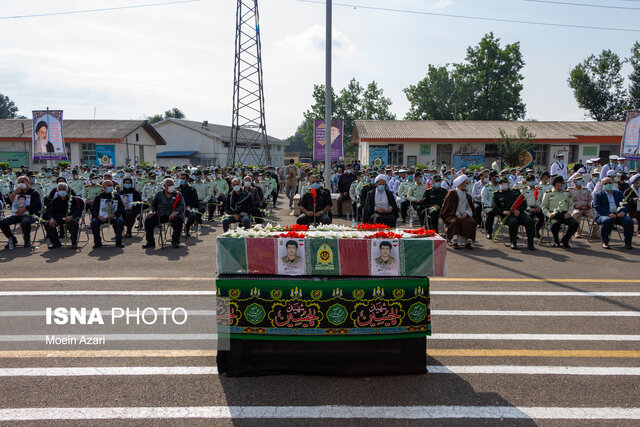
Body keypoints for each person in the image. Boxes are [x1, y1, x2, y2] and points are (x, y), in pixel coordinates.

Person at [491, 178, 535, 250]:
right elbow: (494, 208)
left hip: (519, 213)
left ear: (508, 184)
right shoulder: (497, 195)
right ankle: (513, 242)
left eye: (504, 183)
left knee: (529, 221)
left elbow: (524, 203)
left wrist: (519, 210)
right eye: (501, 183)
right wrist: (503, 212)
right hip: (507, 216)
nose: (502, 185)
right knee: (514, 222)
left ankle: (530, 243)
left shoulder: (515, 192)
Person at [0, 175, 42, 248]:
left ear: (28, 182)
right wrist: (15, 192)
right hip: (16, 215)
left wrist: (25, 209)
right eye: (19, 182)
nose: (20, 183)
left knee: (25, 222)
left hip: (30, 215)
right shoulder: (16, 192)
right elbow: (8, 201)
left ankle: (27, 240)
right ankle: (12, 239)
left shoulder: (34, 192)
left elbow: (37, 204)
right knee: (2, 222)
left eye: (23, 181)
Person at [142, 178, 185, 249]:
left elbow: (181, 206)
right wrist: (151, 211)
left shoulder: (178, 194)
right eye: (169, 185)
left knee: (179, 219)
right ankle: (150, 242)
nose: (172, 186)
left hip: (173, 215)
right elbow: (153, 204)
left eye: (172, 184)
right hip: (161, 214)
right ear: (165, 186)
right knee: (148, 220)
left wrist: (174, 213)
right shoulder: (159, 194)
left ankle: (175, 241)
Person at [593, 177, 634, 249]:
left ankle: (628, 243)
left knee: (629, 221)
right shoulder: (598, 194)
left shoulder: (618, 193)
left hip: (617, 214)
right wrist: (608, 214)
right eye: (605, 183)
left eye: (609, 183)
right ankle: (605, 241)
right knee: (607, 221)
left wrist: (623, 212)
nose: (608, 185)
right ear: (602, 185)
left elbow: (624, 204)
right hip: (603, 215)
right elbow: (597, 207)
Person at [540, 176, 578, 248]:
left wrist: (569, 213)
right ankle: (556, 240)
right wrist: (548, 214)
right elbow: (544, 207)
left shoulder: (566, 193)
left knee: (575, 224)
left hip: (564, 214)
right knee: (555, 224)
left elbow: (571, 205)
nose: (563, 185)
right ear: (557, 184)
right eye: (562, 184)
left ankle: (565, 239)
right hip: (553, 214)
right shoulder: (548, 193)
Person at [440, 175, 477, 249]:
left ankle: (468, 242)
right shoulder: (452, 193)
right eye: (465, 183)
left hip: (464, 215)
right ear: (460, 184)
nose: (467, 185)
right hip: (452, 215)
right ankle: (454, 242)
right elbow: (449, 207)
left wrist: (466, 214)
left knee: (471, 221)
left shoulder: (467, 196)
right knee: (455, 222)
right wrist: (457, 214)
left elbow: (469, 208)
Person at [45, 182, 82, 249]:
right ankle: (55, 243)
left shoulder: (73, 199)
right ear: (57, 190)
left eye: (64, 189)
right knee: (48, 224)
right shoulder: (55, 200)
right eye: (60, 189)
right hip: (59, 218)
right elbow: (50, 212)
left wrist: (71, 216)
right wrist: (51, 218)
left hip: (71, 217)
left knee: (73, 223)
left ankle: (74, 243)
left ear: (67, 190)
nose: (62, 191)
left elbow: (77, 211)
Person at [90, 180, 125, 249]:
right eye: (109, 185)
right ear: (103, 187)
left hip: (114, 216)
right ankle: (97, 242)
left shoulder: (116, 196)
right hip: (101, 217)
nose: (111, 187)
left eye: (111, 185)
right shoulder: (98, 197)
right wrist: (98, 216)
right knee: (94, 222)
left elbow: (121, 208)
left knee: (120, 221)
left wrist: (114, 214)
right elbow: (93, 210)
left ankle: (119, 242)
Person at [568, 173, 595, 238]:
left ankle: (595, 232)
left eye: (580, 179)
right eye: (578, 179)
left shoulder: (586, 190)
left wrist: (588, 206)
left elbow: (591, 199)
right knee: (576, 214)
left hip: (586, 208)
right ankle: (577, 231)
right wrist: (575, 206)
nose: (580, 181)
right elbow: (569, 201)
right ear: (574, 181)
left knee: (596, 214)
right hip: (576, 208)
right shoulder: (570, 190)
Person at [177, 172, 199, 237]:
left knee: (193, 216)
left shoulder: (192, 189)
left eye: (183, 178)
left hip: (188, 208)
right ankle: (177, 232)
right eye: (180, 178)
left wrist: (189, 206)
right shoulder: (177, 190)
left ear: (187, 179)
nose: (181, 180)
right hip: (178, 209)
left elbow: (195, 200)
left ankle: (186, 228)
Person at [481, 171, 500, 238]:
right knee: (490, 212)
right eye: (496, 177)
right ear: (491, 178)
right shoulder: (486, 187)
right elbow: (484, 199)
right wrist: (491, 205)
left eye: (498, 177)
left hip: (498, 207)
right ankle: (489, 232)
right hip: (489, 206)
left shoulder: (500, 187)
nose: (497, 178)